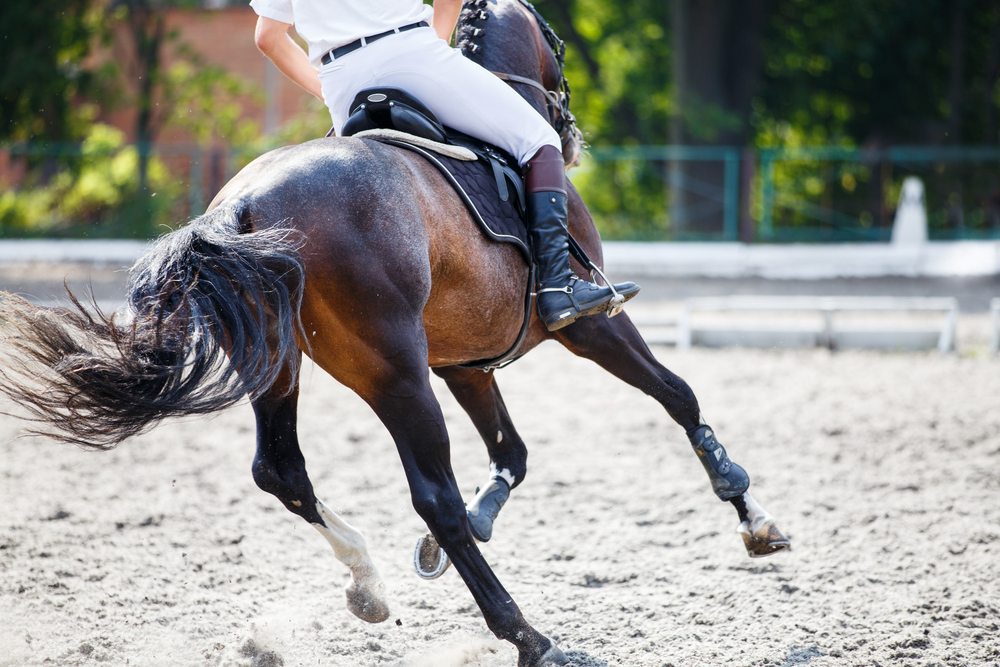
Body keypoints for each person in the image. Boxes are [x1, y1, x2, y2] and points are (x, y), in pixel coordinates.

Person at [250, 0, 638, 331]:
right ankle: (558, 285)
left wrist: (329, 90)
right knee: (540, 140)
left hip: (340, 81)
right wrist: (431, 48)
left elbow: (268, 37)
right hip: (410, 52)